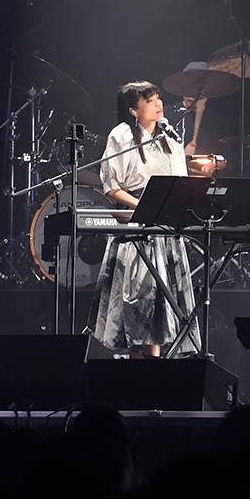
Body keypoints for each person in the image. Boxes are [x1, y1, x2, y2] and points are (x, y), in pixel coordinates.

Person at [91, 81, 205, 358]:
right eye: (150, 100)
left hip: (164, 224)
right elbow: (112, 186)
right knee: (139, 297)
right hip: (137, 224)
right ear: (133, 110)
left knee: (162, 299)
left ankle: (155, 363)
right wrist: (145, 205)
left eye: (158, 99)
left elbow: (179, 180)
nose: (158, 104)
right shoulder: (121, 135)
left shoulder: (169, 137)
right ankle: (136, 362)